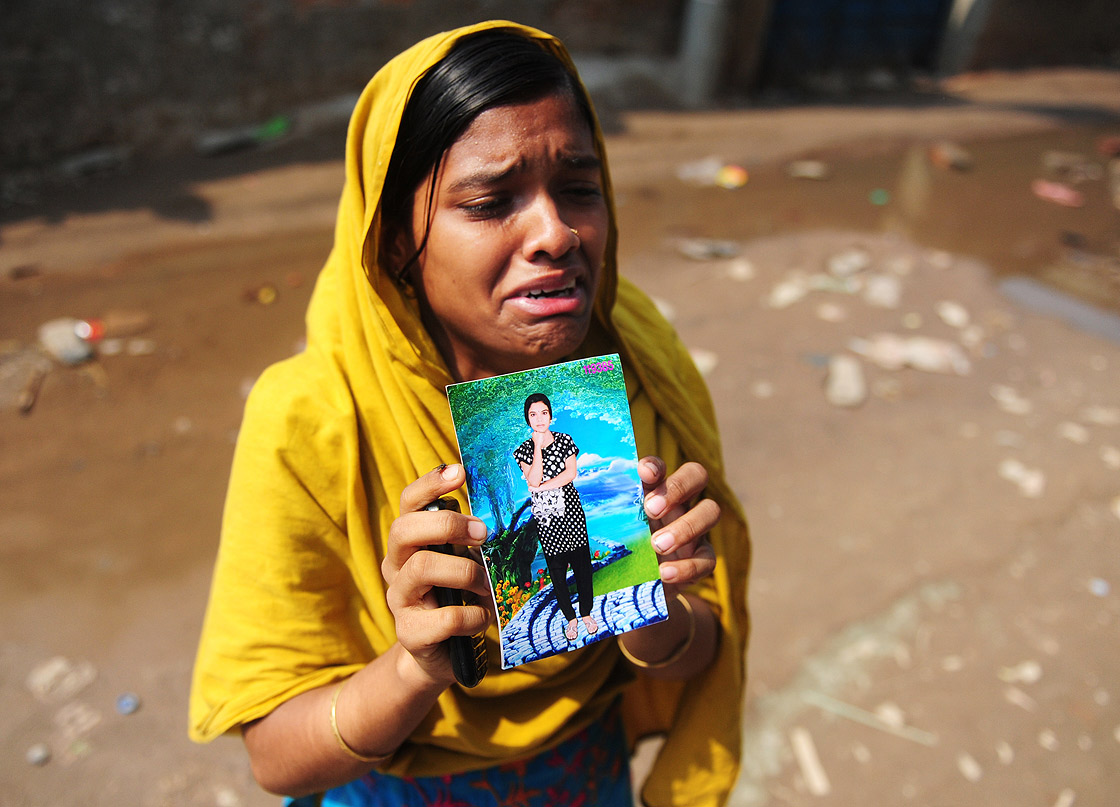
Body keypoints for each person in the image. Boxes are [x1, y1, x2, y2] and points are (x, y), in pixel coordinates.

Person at [189, 20, 751, 807]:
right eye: (491, 201)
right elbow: (276, 761)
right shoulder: (313, 417)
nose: (555, 233)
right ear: (394, 245)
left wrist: (653, 617)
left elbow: (699, 647)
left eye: (580, 189)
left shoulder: (635, 356)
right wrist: (415, 664)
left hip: (589, 779)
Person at [513, 392, 597, 641]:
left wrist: (540, 486)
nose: (539, 419)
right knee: (557, 570)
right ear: (527, 419)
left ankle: (586, 613)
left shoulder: (565, 441)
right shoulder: (523, 451)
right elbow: (533, 478)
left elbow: (570, 474)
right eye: (533, 414)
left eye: (544, 413)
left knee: (582, 565)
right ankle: (570, 619)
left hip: (570, 511)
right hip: (547, 518)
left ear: (551, 415)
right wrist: (537, 447)